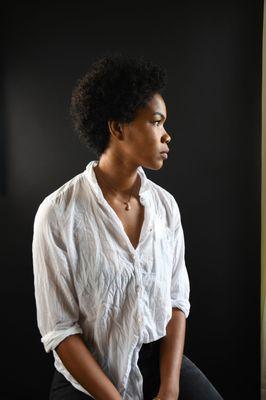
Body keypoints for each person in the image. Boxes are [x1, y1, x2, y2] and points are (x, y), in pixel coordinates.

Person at [32, 52, 224, 400]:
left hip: (161, 364)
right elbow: (59, 331)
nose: (167, 136)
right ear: (117, 127)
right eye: (155, 122)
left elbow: (177, 301)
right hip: (90, 376)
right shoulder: (58, 214)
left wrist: (170, 387)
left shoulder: (165, 207)